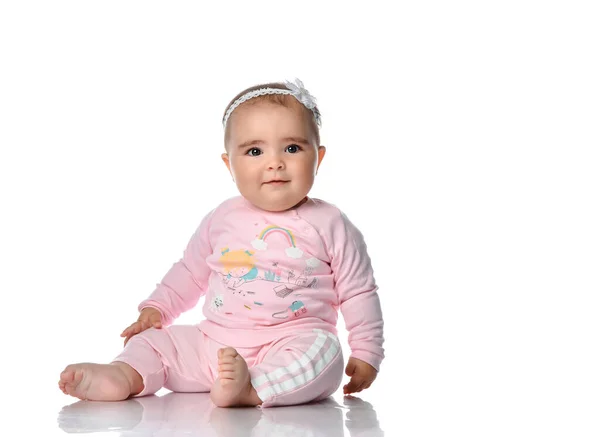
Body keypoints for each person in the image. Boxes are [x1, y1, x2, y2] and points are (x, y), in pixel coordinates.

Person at [58, 78, 385, 408]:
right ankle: (124, 375)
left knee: (324, 355)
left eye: (292, 148)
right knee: (155, 342)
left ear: (319, 157)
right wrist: (156, 308)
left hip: (291, 342)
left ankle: (253, 388)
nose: (275, 162)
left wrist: (367, 350)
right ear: (230, 164)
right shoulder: (223, 217)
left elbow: (358, 291)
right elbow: (191, 271)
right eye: (254, 151)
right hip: (216, 344)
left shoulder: (331, 224)